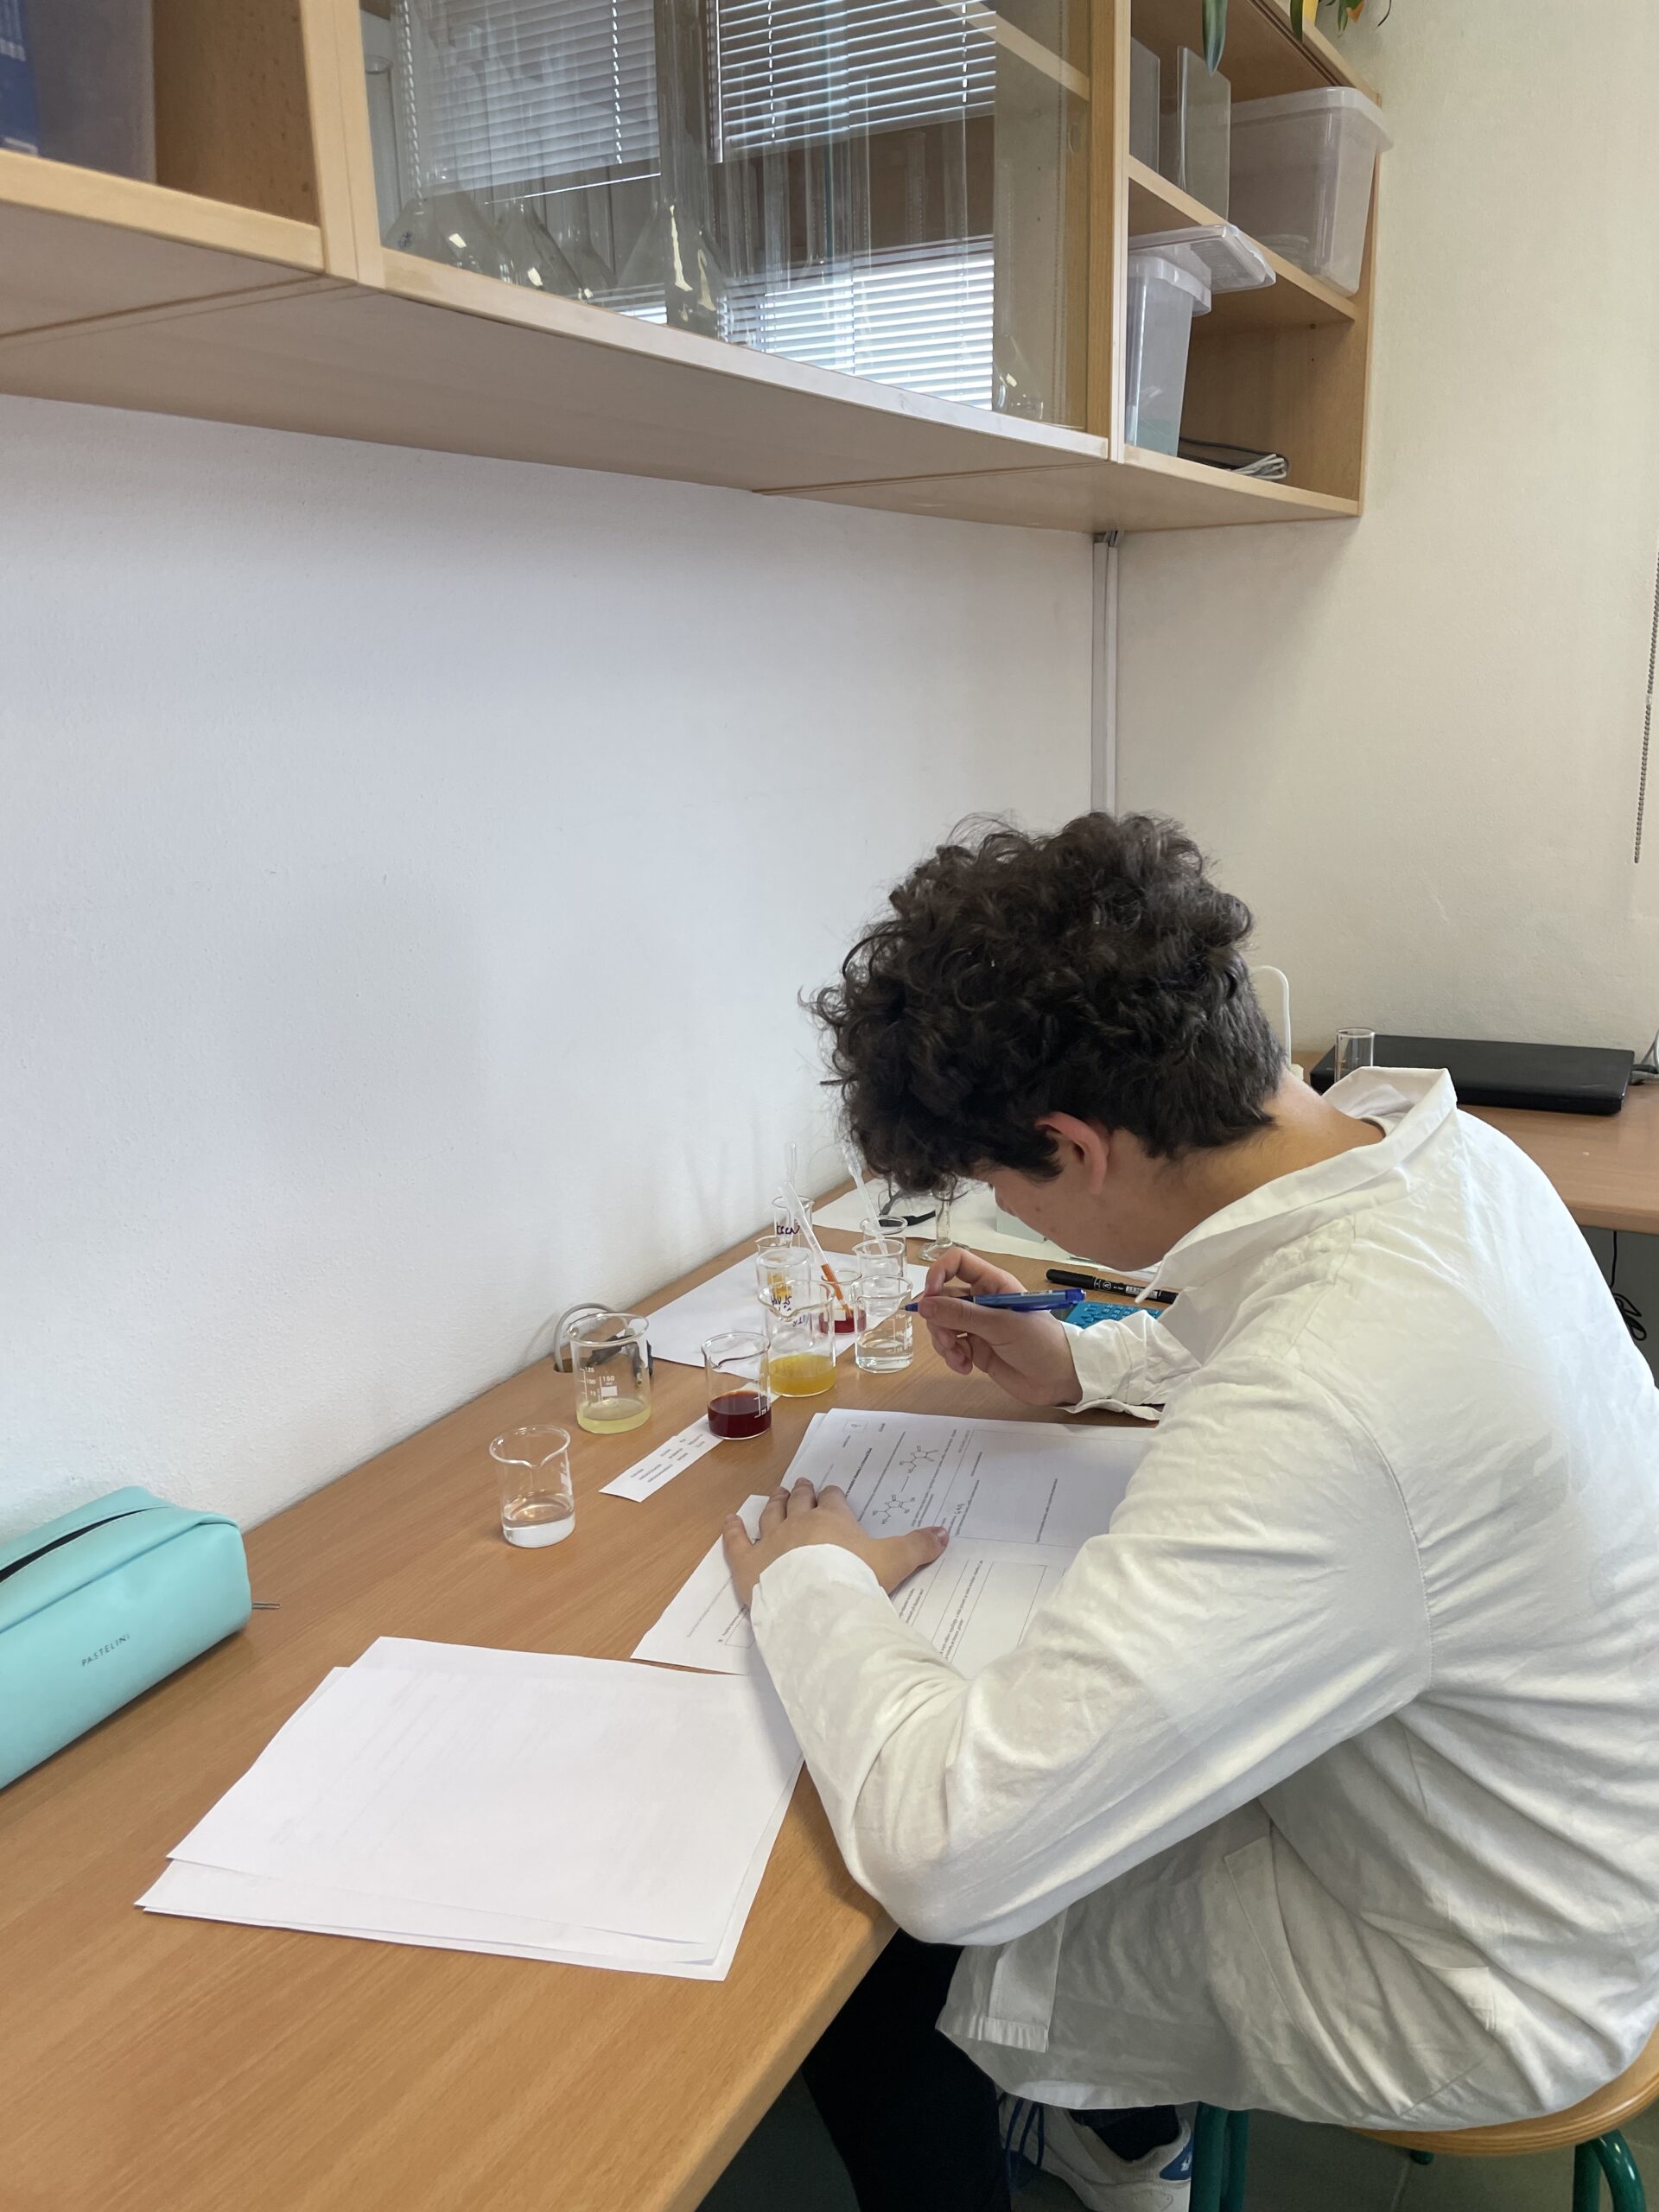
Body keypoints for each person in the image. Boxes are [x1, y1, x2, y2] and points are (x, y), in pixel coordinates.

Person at [720, 814, 1659, 2212]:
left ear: (1070, 1147)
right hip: (1573, 1842)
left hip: (1478, 1979)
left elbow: (948, 1855)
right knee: (1088, 1767)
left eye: (1001, 1185)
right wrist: (1083, 1362)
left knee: (875, 1944)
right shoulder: (1444, 1163)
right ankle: (1120, 2131)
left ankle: (1110, 2146)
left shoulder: (1333, 1397)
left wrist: (815, 1581)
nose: (1011, 1215)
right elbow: (1288, 1334)